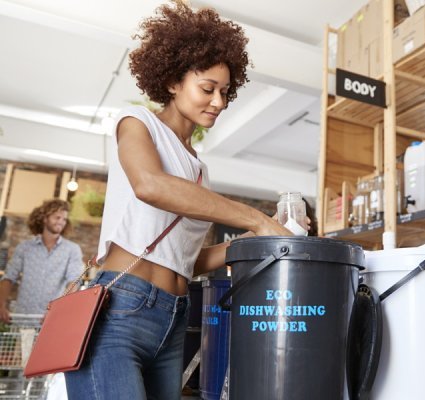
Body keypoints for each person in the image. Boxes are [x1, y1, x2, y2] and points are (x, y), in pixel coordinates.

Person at [64, 2, 292, 398]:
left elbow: (187, 261)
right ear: (172, 80)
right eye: (207, 89)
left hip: (174, 317)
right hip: (122, 308)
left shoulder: (200, 171)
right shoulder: (137, 123)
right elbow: (150, 185)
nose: (218, 102)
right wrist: (254, 218)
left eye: (224, 91)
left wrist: (258, 240)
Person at [0, 199, 84, 322]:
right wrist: (1, 305)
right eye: (57, 217)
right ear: (45, 218)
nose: (61, 222)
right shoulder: (25, 248)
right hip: (23, 317)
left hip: (53, 319)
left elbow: (74, 281)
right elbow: (8, 277)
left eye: (64, 219)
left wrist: (59, 308)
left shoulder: (72, 250)